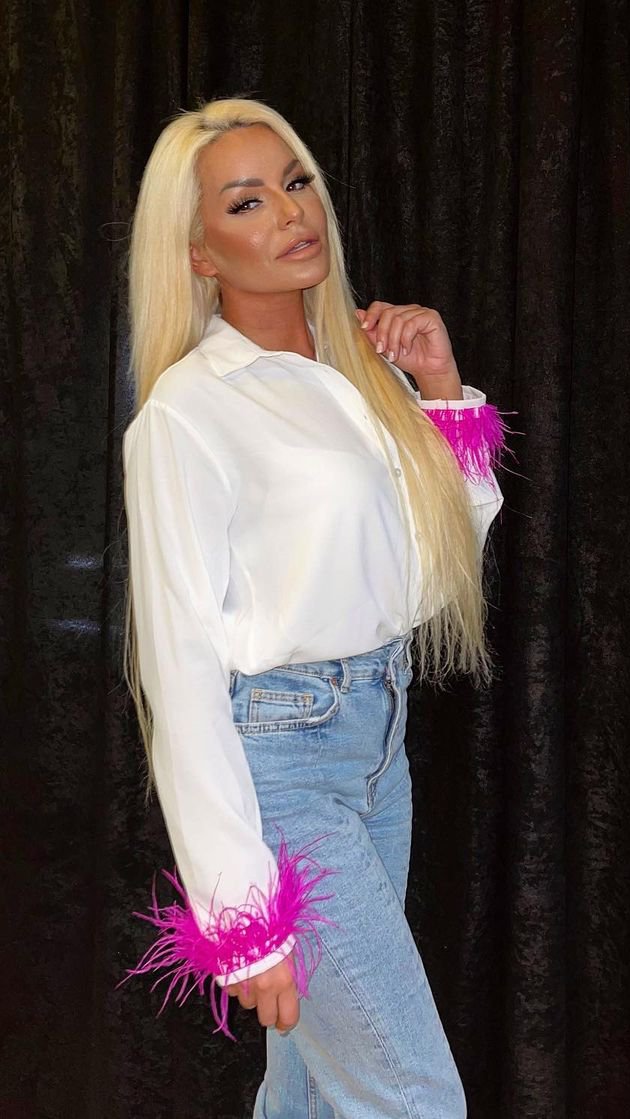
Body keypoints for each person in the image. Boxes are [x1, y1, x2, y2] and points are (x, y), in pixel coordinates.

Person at [116, 95, 511, 1119]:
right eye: (246, 201)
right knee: (410, 1096)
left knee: (311, 1091)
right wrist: (239, 913)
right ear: (198, 252)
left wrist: (440, 390)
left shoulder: (359, 377)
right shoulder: (190, 412)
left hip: (378, 753)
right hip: (281, 769)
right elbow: (178, 670)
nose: (293, 212)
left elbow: (433, 577)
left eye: (296, 182)